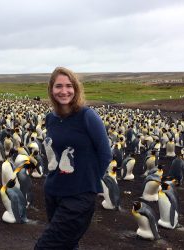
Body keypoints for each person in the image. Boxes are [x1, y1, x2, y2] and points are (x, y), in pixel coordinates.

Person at [35, 67, 112, 249]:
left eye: (69, 86)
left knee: (45, 246)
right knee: (67, 245)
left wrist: (89, 185)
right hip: (54, 192)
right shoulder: (51, 118)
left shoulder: (87, 116)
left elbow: (105, 153)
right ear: (51, 90)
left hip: (79, 196)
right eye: (58, 86)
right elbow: (54, 151)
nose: (64, 91)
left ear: (76, 88)